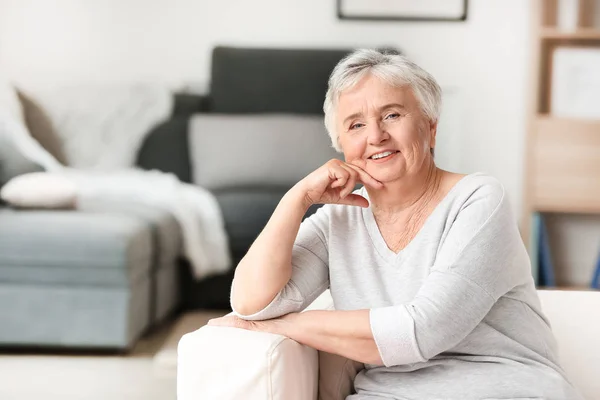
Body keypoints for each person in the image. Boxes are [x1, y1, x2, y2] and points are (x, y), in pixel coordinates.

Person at [208, 49, 583, 400]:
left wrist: (284, 327)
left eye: (392, 115)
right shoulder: (339, 220)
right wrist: (296, 199)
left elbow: (423, 330)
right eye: (355, 125)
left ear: (430, 128)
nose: (375, 136)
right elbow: (252, 303)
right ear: (340, 144)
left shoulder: (479, 200)